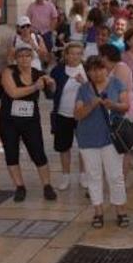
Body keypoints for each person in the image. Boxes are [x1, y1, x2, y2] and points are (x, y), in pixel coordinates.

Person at [74, 55, 130, 228]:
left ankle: (120, 210)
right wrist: (91, 105)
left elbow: (125, 105)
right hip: (88, 138)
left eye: (100, 69)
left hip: (111, 139)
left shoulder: (117, 84)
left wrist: (111, 105)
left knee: (115, 176)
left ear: (106, 69)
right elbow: (77, 114)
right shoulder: (83, 89)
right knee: (93, 176)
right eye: (92, 70)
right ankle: (98, 211)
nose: (96, 73)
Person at [0, 45, 57, 202]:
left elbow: (51, 94)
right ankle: (19, 186)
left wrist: (51, 83)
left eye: (27, 56)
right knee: (11, 153)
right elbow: (13, 93)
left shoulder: (39, 74)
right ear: (16, 59)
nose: (24, 59)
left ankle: (47, 185)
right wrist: (35, 86)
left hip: (30, 120)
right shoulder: (8, 72)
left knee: (38, 152)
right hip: (8, 120)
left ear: (32, 58)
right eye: (21, 56)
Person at [49, 42, 88, 190]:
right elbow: (51, 93)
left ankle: (83, 175)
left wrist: (84, 83)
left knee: (83, 146)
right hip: (62, 114)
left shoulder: (87, 70)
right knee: (63, 147)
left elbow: (94, 92)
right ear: (66, 55)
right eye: (72, 53)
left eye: (78, 53)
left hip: (82, 115)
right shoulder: (58, 71)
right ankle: (66, 176)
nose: (75, 56)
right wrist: (52, 87)